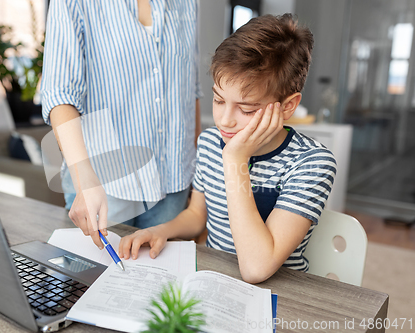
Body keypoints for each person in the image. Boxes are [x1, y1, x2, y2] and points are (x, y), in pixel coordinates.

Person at [118, 13, 337, 283]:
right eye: (219, 100)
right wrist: (162, 230)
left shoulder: (311, 163)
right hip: (213, 281)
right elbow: (198, 215)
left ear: (288, 106)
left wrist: (235, 160)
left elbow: (256, 268)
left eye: (246, 108)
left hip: (279, 294)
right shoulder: (211, 142)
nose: (225, 120)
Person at [41, 0, 202, 249]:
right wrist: (85, 182)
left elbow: (191, 91)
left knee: (159, 285)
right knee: (95, 284)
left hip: (173, 183)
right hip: (103, 185)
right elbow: (60, 96)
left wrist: (196, 174)